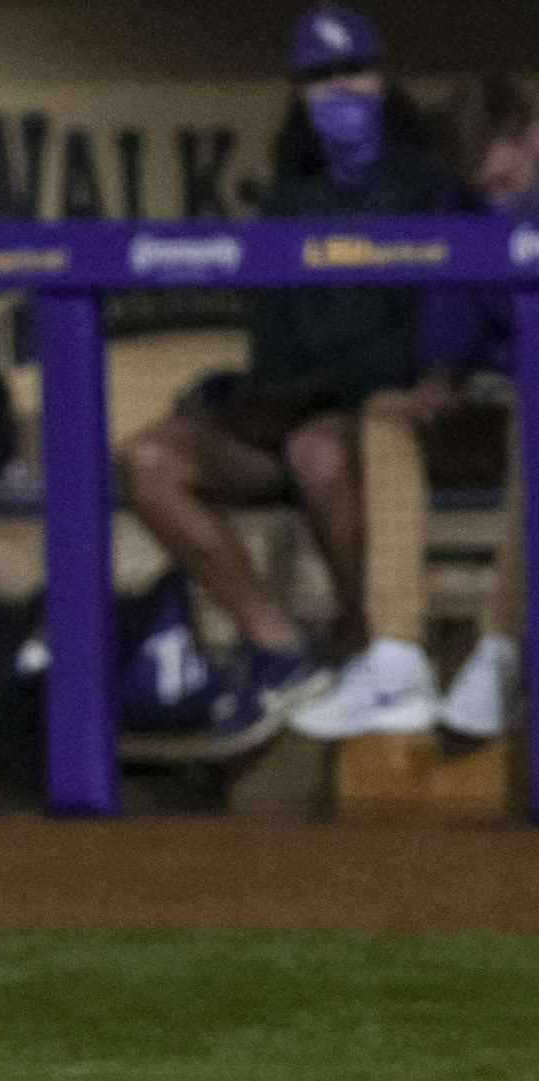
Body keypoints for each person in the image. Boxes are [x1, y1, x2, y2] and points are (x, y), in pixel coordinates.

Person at [119, 5, 470, 729]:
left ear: (382, 80)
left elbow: (427, 344)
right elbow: (274, 352)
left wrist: (328, 388)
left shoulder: (430, 188)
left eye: (354, 72)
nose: (341, 91)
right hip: (291, 422)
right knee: (150, 457)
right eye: (321, 78)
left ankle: (371, 649)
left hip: (386, 426)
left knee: (320, 447)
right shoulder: (287, 202)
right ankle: (278, 646)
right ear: (299, 94)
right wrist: (251, 403)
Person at [300, 76, 536, 740]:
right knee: (386, 414)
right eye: (480, 185)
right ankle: (397, 657)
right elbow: (448, 322)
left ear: (530, 135)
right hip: (489, 397)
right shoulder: (457, 204)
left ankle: (502, 647)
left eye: (504, 176)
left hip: (533, 403)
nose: (495, 195)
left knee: (537, 418)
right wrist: (442, 374)